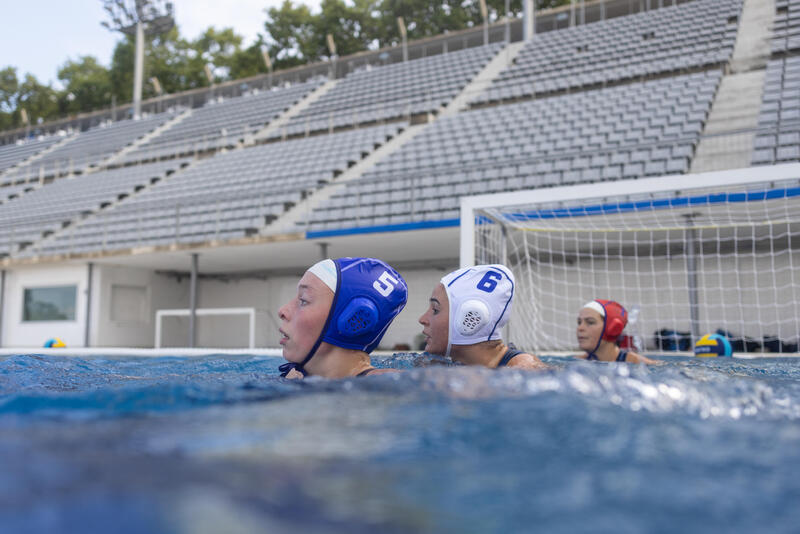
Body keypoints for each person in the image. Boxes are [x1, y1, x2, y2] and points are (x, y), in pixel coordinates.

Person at [278, 257, 408, 378]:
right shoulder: (294, 377)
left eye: (303, 300)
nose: (282, 311)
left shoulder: (389, 385)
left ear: (352, 320)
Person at [418, 264, 547, 370]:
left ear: (470, 319)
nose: (422, 319)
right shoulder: (439, 363)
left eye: (435, 310)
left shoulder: (525, 368)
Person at [576, 299, 657, 364]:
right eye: (579, 322)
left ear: (612, 328)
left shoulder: (638, 363)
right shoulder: (577, 362)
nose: (580, 328)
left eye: (590, 322)